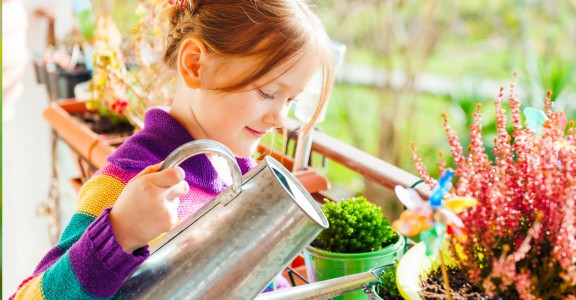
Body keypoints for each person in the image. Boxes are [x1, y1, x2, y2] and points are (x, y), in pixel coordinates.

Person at [11, 0, 334, 298]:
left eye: (290, 100)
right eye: (267, 92)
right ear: (195, 65)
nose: (280, 118)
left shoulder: (238, 175)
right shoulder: (127, 184)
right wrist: (118, 234)